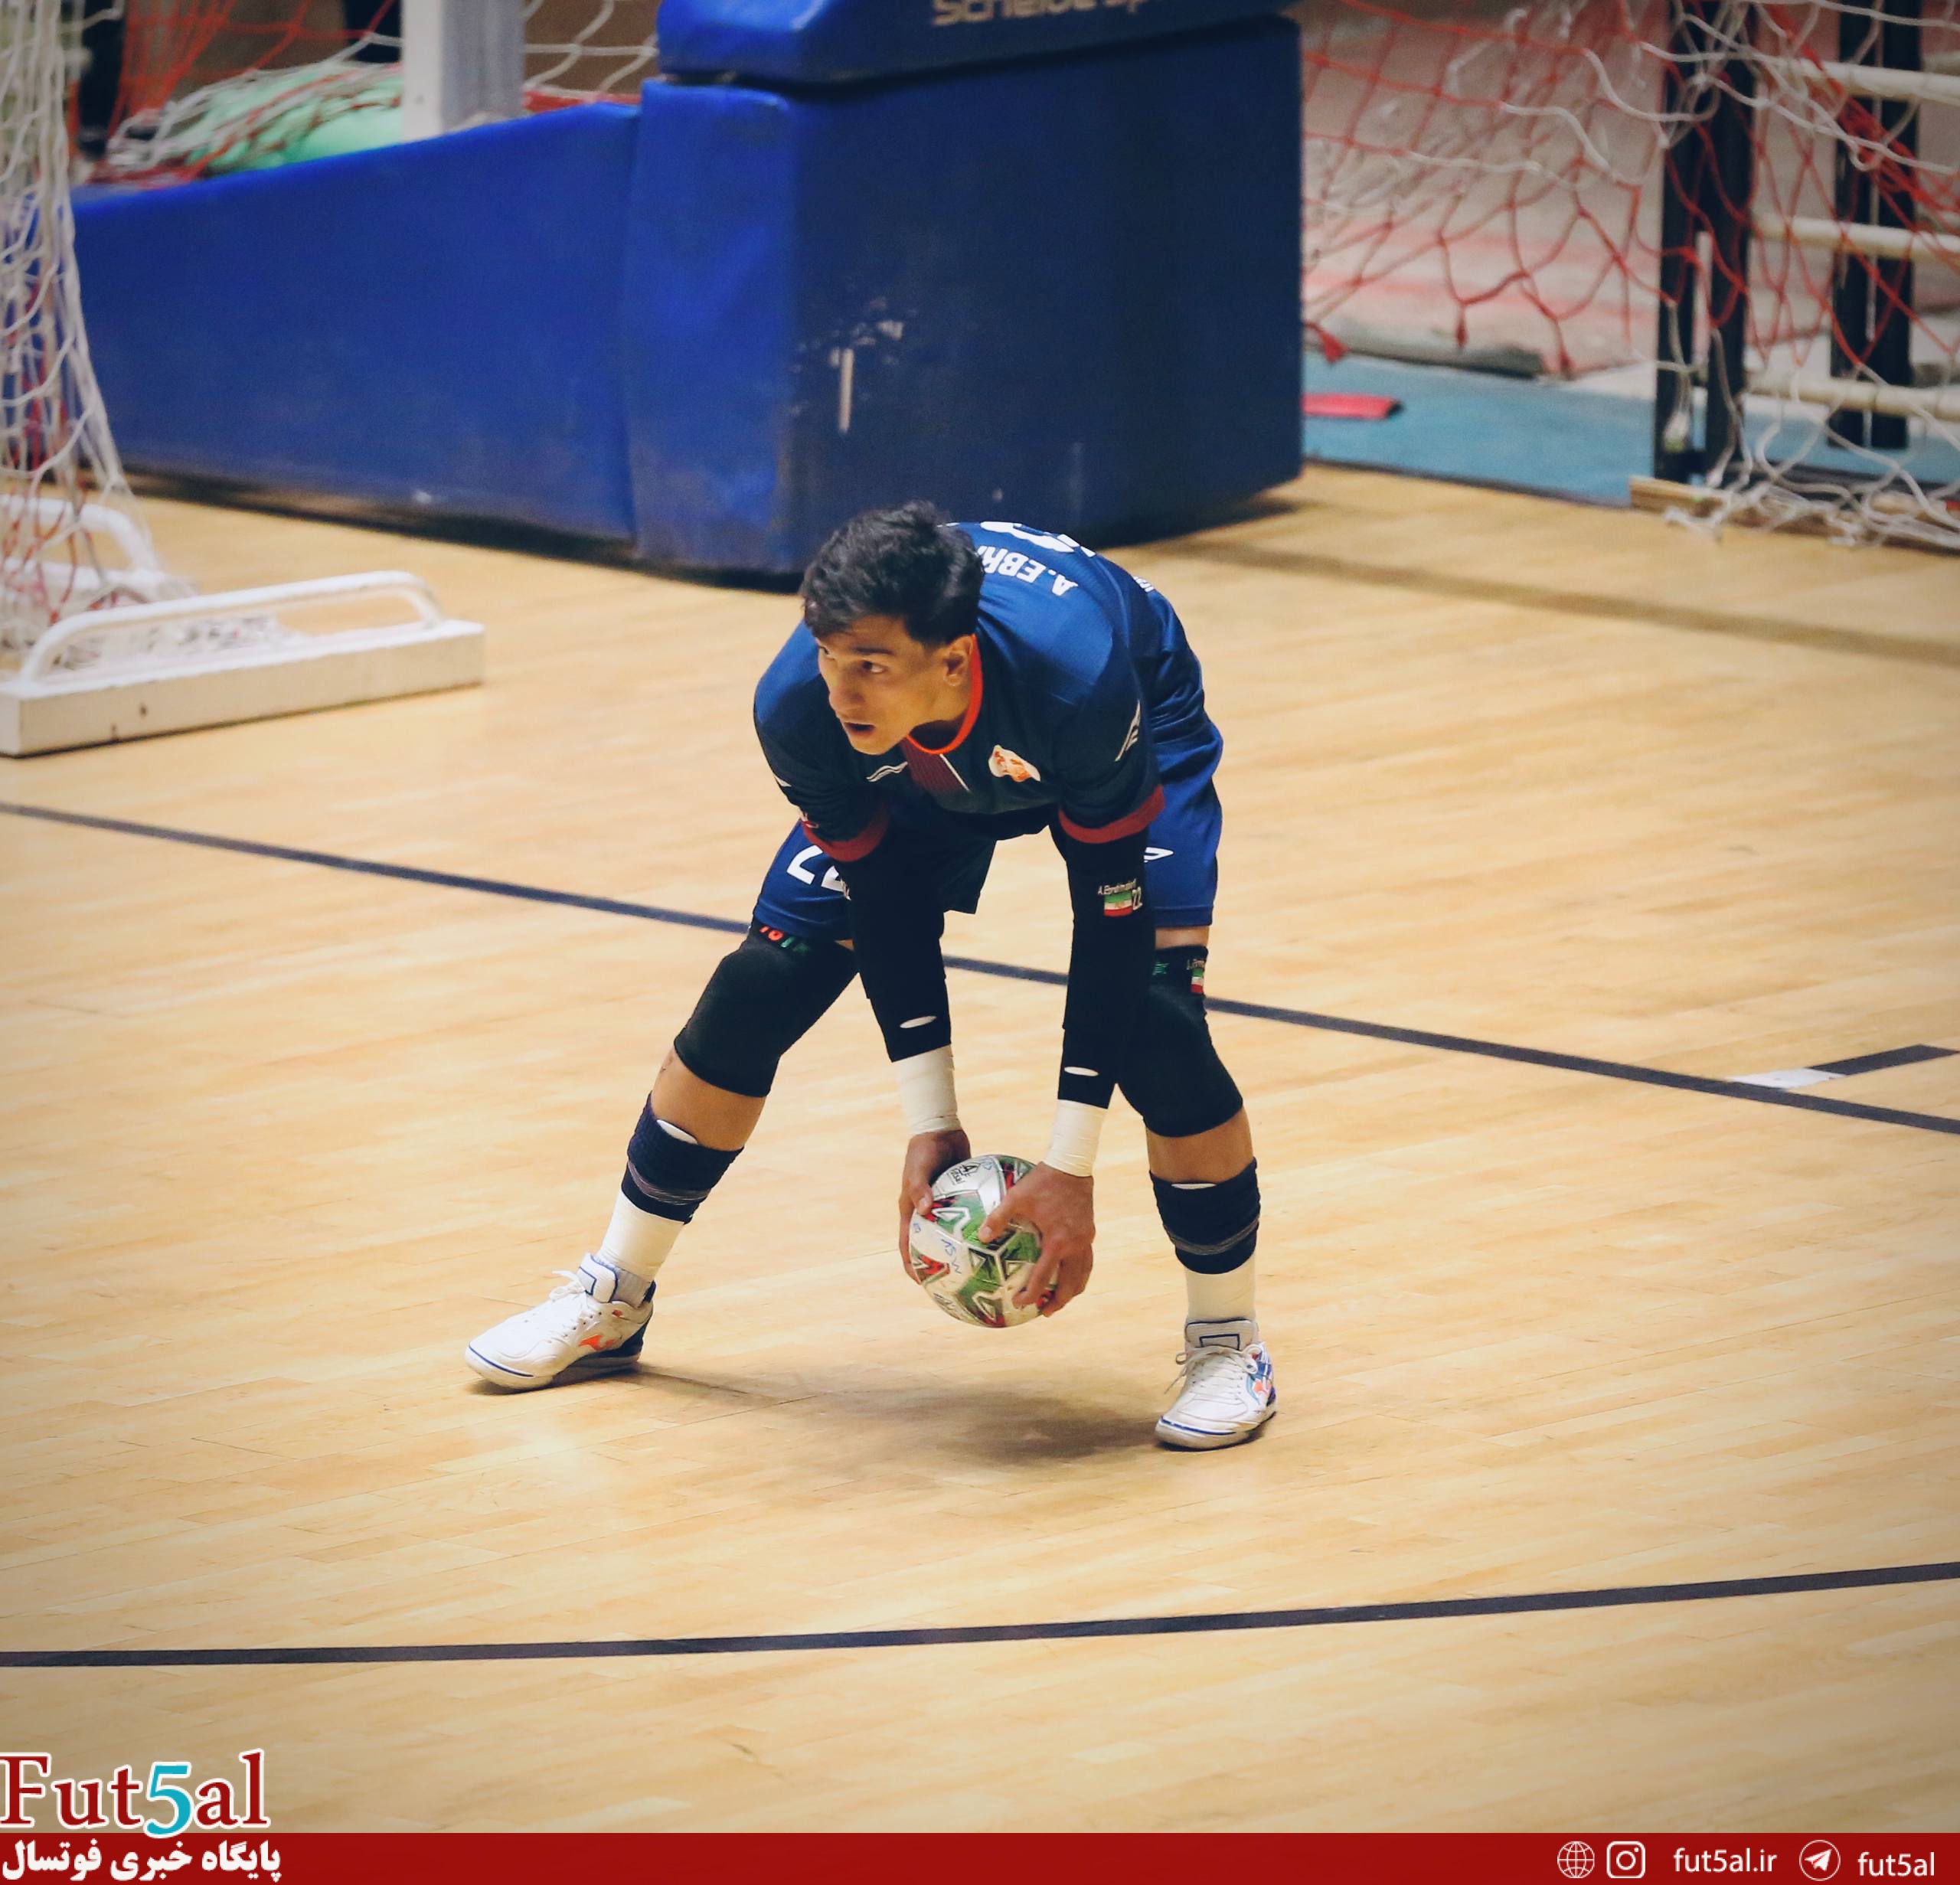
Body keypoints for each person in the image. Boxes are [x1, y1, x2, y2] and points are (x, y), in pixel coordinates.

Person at [466, 503, 1275, 1448]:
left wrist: (1070, 1164)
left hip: (1119, 721)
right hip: (917, 758)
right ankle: (614, 1292)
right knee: (759, 985)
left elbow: (1108, 916)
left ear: (953, 659)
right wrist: (931, 1121)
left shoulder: (1080, 684)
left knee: (1157, 1022)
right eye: (828, 655)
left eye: (871, 665)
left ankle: (1229, 1340)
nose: (842, 689)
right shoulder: (802, 708)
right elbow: (886, 899)